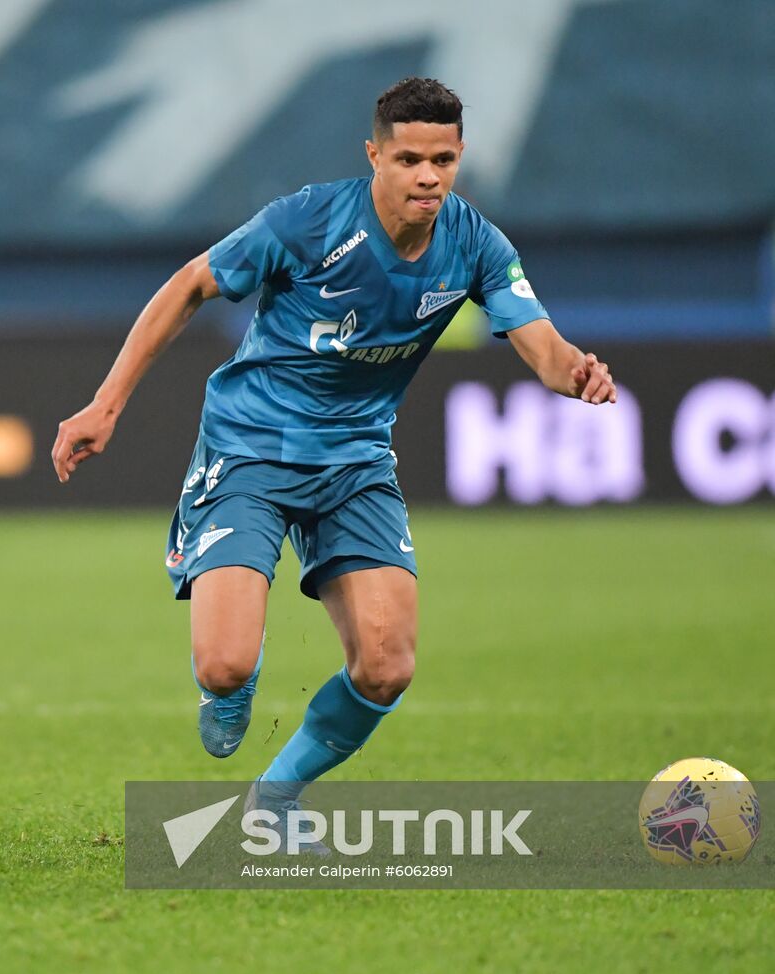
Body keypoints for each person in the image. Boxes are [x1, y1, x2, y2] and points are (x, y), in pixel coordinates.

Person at [51, 78, 616, 840]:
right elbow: (192, 284)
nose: (427, 176)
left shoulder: (476, 243)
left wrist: (576, 372)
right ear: (374, 155)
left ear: (460, 158)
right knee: (222, 665)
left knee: (388, 663)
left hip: (353, 460)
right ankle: (229, 682)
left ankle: (277, 798)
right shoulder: (310, 220)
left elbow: (542, 348)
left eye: (443, 160)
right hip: (250, 446)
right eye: (409, 158)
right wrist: (107, 402)